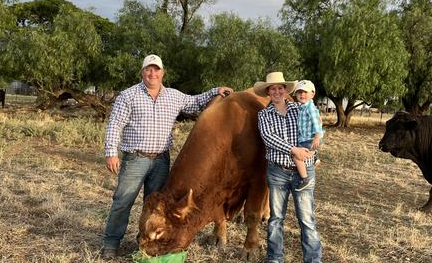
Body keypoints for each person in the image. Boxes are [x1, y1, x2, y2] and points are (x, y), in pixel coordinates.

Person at [101, 54, 233, 259]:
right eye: (148, 69)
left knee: (157, 208)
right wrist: (111, 152)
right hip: (136, 158)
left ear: (162, 73)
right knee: (123, 201)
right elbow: (114, 125)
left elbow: (195, 102)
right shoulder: (128, 96)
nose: (152, 73)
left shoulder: (173, 95)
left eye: (156, 70)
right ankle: (111, 243)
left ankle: (144, 242)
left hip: (161, 160)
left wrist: (215, 91)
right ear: (142, 72)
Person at [254, 72, 322, 263]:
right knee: (276, 219)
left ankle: (313, 259)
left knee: (307, 219)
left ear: (285, 90)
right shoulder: (263, 115)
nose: (277, 91)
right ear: (268, 92)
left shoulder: (298, 108)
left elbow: (313, 122)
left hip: (304, 170)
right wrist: (294, 150)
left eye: (280, 88)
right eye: (273, 88)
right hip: (278, 172)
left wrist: (315, 145)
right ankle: (275, 258)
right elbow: (269, 138)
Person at [292, 80, 324, 192]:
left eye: (305, 92)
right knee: (302, 150)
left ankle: (305, 178)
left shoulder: (310, 108)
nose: (302, 95)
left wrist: (317, 137)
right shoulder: (302, 107)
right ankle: (315, 157)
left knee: (296, 157)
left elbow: (316, 123)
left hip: (310, 139)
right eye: (299, 92)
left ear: (312, 94)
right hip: (305, 138)